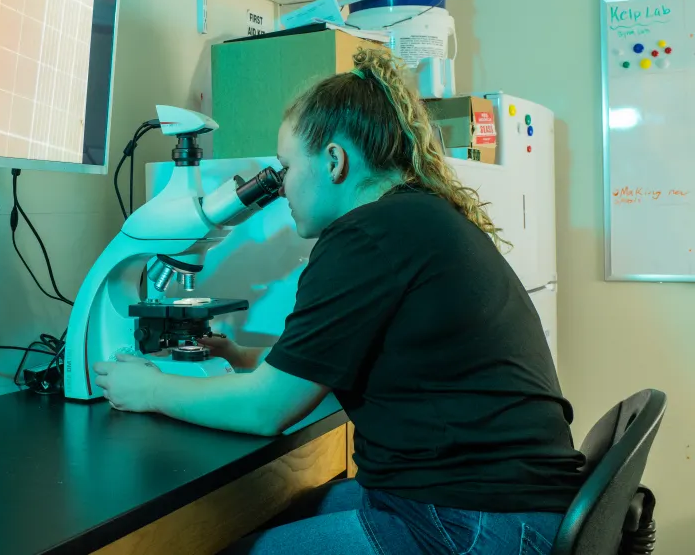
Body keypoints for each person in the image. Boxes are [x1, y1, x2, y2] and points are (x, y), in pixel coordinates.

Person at [93, 48, 585, 555]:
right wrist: (243, 358)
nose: (280, 186)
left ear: (334, 160)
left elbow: (265, 411)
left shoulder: (366, 235)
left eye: (285, 167)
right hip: (506, 506)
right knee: (277, 510)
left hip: (473, 524)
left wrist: (148, 388)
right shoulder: (416, 218)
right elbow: (350, 365)